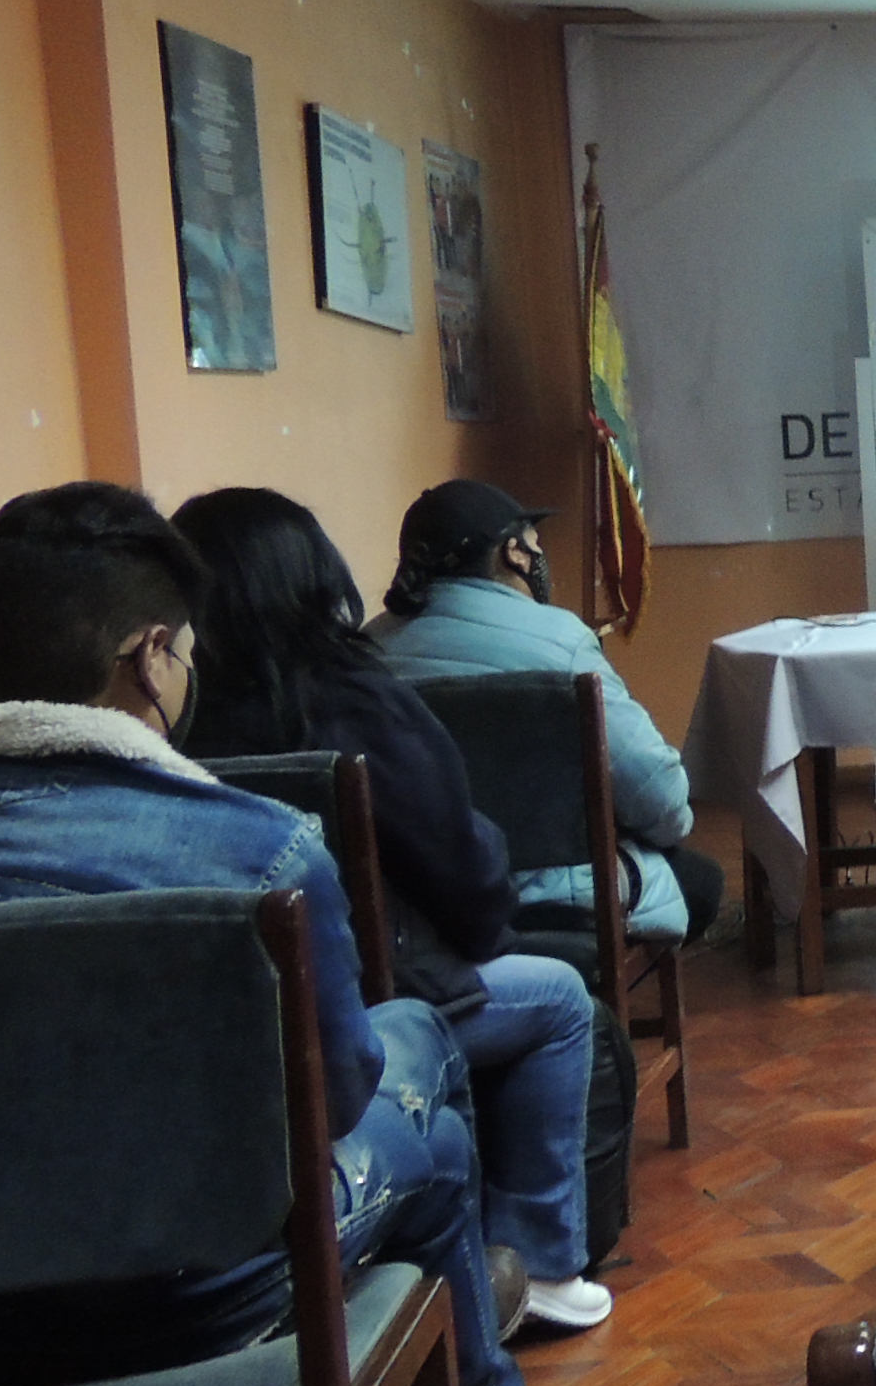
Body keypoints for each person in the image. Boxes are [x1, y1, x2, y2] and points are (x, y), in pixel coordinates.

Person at [0, 483, 602, 1386]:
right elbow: (343, 1095)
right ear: (152, 659)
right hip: (214, 1298)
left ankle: (491, 1370)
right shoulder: (258, 850)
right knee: (429, 1096)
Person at [174, 486, 612, 1333]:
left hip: (229, 1039)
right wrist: (482, 930)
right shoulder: (354, 700)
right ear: (315, 578)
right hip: (378, 1009)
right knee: (557, 998)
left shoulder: (175, 723)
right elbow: (462, 863)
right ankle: (544, 1265)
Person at [373, 478, 721, 948]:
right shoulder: (561, 641)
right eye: (535, 545)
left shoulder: (366, 651)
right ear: (513, 554)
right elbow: (660, 800)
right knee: (700, 882)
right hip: (556, 898)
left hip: (419, 903)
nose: (541, 558)